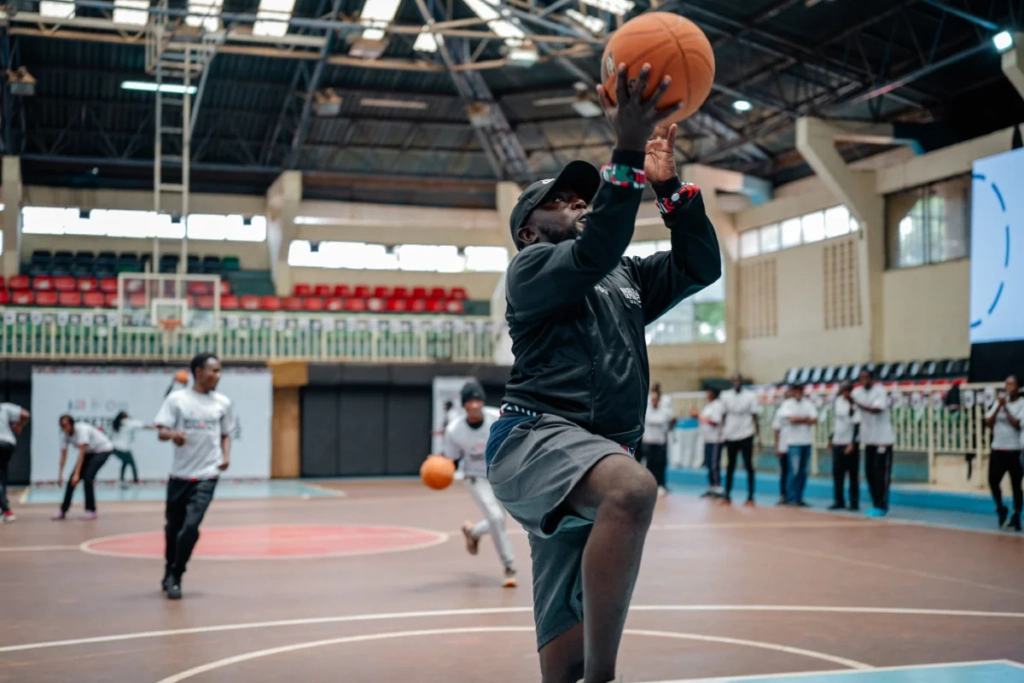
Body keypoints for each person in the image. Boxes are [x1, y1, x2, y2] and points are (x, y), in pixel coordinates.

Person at [486, 62, 721, 683]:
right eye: (562, 201)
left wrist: (669, 191)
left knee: (561, 665)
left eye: (583, 196)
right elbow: (599, 246)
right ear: (530, 232)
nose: (579, 204)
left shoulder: (624, 277)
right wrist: (626, 146)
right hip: (535, 440)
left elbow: (700, 267)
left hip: (591, 456)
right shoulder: (532, 270)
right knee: (634, 489)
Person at [154, 352, 233, 600]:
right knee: (173, 529)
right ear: (199, 372)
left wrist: (226, 456)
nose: (218, 376)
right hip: (180, 475)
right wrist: (173, 435)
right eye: (214, 371)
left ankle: (177, 574)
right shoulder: (177, 400)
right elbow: (161, 432)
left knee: (190, 527)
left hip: (207, 474)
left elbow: (225, 433)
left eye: (220, 371)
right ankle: (168, 571)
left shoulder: (223, 403)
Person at [443, 380, 517, 587]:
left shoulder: (497, 418)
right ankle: (509, 566)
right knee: (495, 517)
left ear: (483, 401)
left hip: (500, 475)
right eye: (470, 401)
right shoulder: (454, 430)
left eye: (478, 400)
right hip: (475, 478)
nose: (474, 405)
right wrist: (439, 469)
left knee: (499, 520)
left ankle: (473, 532)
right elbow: (452, 459)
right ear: (464, 405)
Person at [851, 369, 895, 517]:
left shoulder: (880, 391)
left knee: (881, 474)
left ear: (872, 378)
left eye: (866, 377)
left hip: (882, 440)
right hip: (868, 439)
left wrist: (857, 404)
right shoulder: (857, 392)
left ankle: (882, 505)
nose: (863, 380)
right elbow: (854, 414)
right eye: (861, 377)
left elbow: (876, 409)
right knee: (870, 473)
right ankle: (875, 503)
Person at [54, 415, 114, 520]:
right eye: (62, 426)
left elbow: (81, 454)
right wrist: (60, 475)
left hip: (103, 450)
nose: (64, 428)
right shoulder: (64, 435)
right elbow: (63, 455)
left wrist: (77, 474)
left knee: (88, 478)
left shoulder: (81, 430)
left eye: (66, 425)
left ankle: (91, 510)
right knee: (71, 480)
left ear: (72, 424)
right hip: (90, 452)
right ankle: (63, 510)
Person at [984, 375, 1022, 531]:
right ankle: (1001, 508)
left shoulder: (1021, 404)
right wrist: (999, 407)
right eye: (1007, 384)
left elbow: (1017, 424)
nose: (1009, 388)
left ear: (1018, 388)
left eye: (1012, 385)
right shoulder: (998, 402)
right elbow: (988, 423)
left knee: (1016, 485)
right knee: (993, 481)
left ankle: (1016, 515)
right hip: (998, 449)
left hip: (1014, 450)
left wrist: (1005, 408)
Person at [720, 374, 761, 506]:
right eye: (734, 380)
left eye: (739, 380)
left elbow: (755, 416)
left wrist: (759, 437)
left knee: (748, 465)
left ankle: (750, 495)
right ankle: (727, 494)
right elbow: (723, 416)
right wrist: (722, 433)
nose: (736, 383)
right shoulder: (725, 396)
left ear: (742, 382)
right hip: (731, 435)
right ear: (732, 382)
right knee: (730, 466)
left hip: (746, 433)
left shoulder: (750, 396)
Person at [776, 384, 818, 507]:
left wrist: (799, 420)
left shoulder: (808, 404)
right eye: (796, 390)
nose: (798, 392)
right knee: (793, 471)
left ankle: (799, 497)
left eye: (800, 390)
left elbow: (815, 420)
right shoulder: (787, 404)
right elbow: (792, 419)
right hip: (793, 443)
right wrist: (806, 420)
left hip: (806, 442)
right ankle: (790, 497)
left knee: (803, 472)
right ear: (793, 391)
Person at [827, 381, 860, 511]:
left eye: (846, 390)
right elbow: (837, 422)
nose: (844, 393)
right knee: (837, 474)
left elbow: (857, 425)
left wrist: (853, 443)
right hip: (837, 442)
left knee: (852, 475)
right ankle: (838, 500)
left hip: (850, 443)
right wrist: (831, 438)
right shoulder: (838, 402)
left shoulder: (856, 403)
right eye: (842, 390)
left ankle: (854, 502)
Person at [640, 384, 676, 496]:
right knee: (650, 464)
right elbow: (650, 419)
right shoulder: (647, 407)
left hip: (661, 440)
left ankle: (661, 484)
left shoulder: (664, 408)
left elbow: (666, 419)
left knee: (660, 463)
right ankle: (650, 485)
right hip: (649, 440)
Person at [0, 401, 30, 523]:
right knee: (2, 475)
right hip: (8, 443)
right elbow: (25, 414)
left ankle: (7, 511)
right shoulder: (4, 407)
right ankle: (3, 506)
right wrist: (19, 425)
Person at [692, 388, 723, 498]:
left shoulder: (717, 406)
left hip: (715, 439)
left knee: (714, 464)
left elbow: (715, 422)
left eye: (708, 392)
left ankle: (718, 488)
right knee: (709, 463)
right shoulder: (709, 406)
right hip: (708, 438)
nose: (706, 394)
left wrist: (699, 416)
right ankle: (711, 487)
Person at [110, 411, 152, 489]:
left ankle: (122, 480)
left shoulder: (117, 423)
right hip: (123, 448)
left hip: (115, 448)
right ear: (124, 416)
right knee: (133, 464)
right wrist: (156, 428)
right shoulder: (129, 422)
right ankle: (136, 482)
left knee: (125, 462)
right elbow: (143, 426)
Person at [771, 387, 793, 506]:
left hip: (796, 444)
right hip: (784, 446)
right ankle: (783, 495)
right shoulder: (781, 411)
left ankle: (793, 496)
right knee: (784, 472)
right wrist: (777, 446)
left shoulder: (798, 408)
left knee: (794, 472)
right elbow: (776, 429)